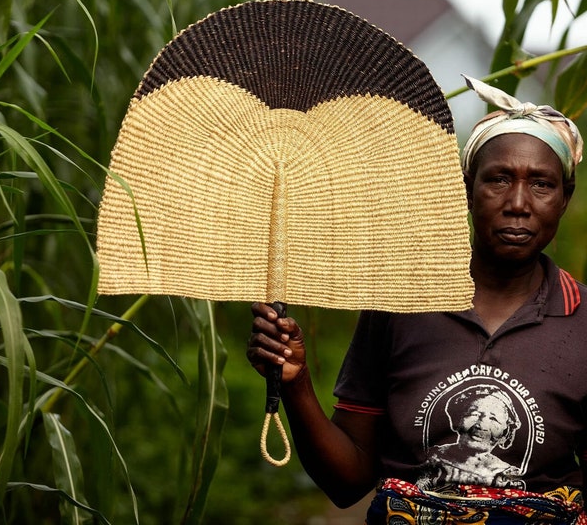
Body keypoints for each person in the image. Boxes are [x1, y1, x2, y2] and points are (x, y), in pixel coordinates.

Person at [247, 75, 587, 524]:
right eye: (499, 179)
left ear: (565, 198)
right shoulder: (402, 305)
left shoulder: (581, 321)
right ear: (466, 189)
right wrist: (296, 384)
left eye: (541, 184)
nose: (518, 203)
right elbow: (347, 483)